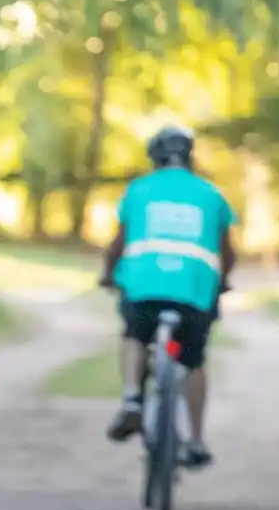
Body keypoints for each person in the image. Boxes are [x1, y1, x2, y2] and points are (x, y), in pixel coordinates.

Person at [99, 125, 236, 468]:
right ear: (190, 157)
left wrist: (107, 274)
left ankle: (132, 400)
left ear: (154, 158)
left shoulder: (139, 190)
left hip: (144, 289)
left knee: (133, 334)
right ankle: (197, 440)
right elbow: (228, 252)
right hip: (194, 291)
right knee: (193, 360)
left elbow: (118, 244)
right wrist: (224, 281)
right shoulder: (211, 195)